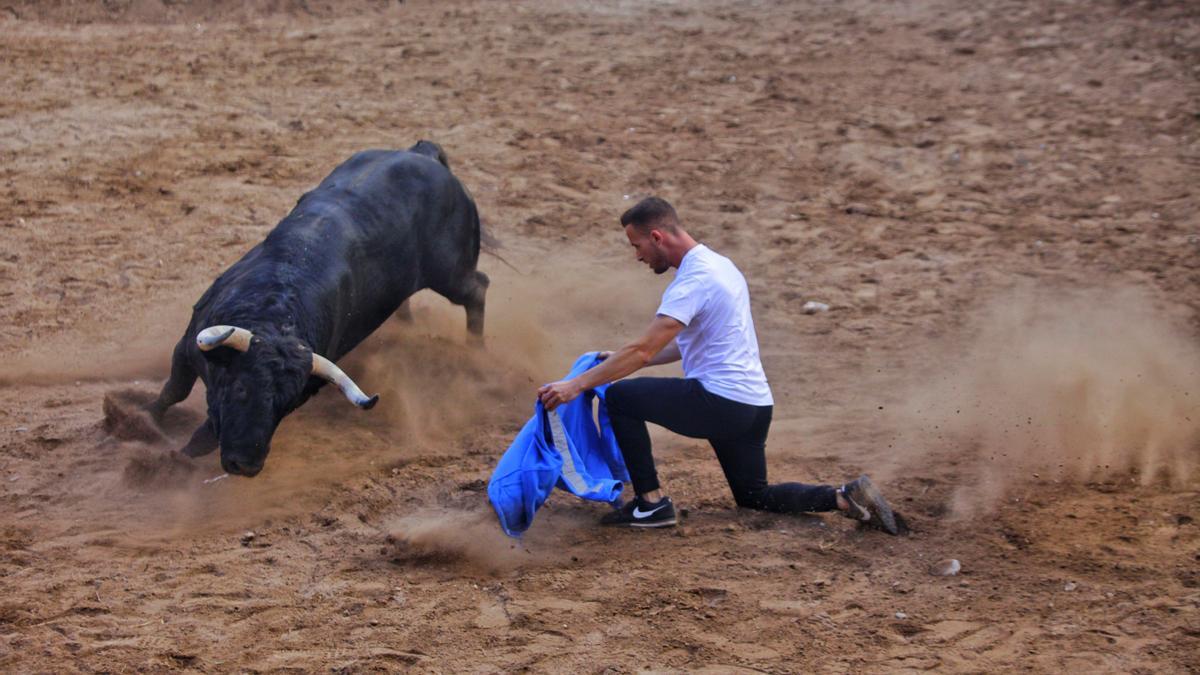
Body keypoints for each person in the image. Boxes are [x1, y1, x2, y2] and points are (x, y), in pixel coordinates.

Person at [537, 197, 899, 534]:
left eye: (637, 246)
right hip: (754, 407)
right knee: (754, 495)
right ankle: (843, 496)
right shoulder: (720, 266)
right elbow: (681, 345)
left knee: (620, 398)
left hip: (721, 402)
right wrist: (614, 356)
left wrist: (576, 385)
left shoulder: (694, 281)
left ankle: (650, 504)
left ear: (657, 237)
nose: (637, 257)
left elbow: (643, 352)